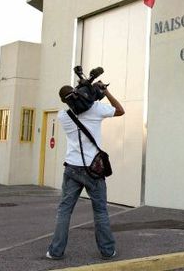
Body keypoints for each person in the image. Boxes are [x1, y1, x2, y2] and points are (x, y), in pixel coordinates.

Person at [46, 82, 125, 260]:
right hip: (94, 169)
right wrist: (105, 92)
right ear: (77, 93)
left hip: (72, 168)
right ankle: (107, 251)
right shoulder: (96, 109)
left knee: (64, 210)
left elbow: (78, 106)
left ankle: (56, 251)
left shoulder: (62, 116)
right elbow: (120, 110)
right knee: (100, 211)